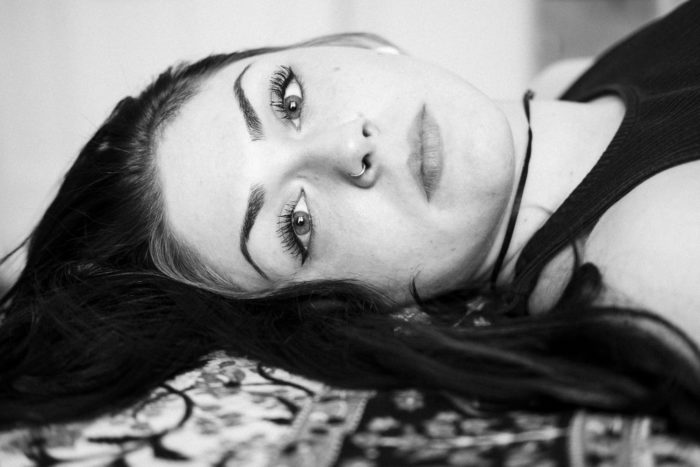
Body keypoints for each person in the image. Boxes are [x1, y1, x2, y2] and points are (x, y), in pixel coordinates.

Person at [2, 1, 700, 435]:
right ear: (344, 308)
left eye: (288, 98)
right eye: (296, 224)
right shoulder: (652, 253)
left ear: (348, 48)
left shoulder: (571, 86)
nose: (348, 148)